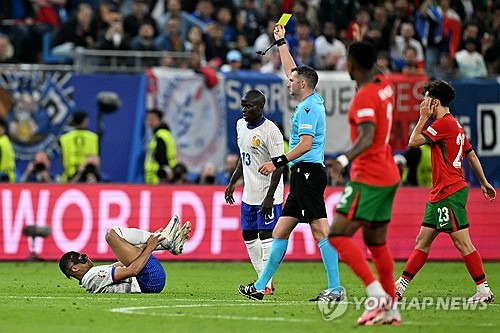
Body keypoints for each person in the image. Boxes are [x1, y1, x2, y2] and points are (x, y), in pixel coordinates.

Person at [238, 24, 342, 302]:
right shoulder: (311, 98)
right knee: (281, 229)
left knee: (321, 230)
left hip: (308, 172)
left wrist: (277, 161)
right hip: (301, 175)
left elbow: (306, 144)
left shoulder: (309, 108)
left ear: (303, 85)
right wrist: (281, 42)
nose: (288, 82)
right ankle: (261, 286)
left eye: (292, 81)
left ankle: (335, 289)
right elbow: (291, 70)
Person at [395, 81, 496, 303]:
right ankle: (400, 287)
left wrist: (422, 118)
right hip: (442, 192)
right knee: (422, 240)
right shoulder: (455, 125)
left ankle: (483, 290)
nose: (422, 104)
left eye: (425, 100)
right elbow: (470, 154)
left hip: (449, 191)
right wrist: (484, 182)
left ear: (435, 102)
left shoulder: (442, 125)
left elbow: (412, 141)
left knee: (462, 242)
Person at [327, 41, 402, 326]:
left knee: (337, 235)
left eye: (348, 60)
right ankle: (391, 309)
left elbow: (367, 137)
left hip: (368, 176)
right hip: (389, 174)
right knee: (376, 241)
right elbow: (374, 67)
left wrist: (343, 161)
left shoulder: (365, 97)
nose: (345, 65)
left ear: (353, 64)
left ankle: (377, 295)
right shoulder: (385, 85)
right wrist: (364, 50)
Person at [225, 90, 284, 296]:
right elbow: (244, 156)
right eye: (242, 105)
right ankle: (264, 281)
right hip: (249, 193)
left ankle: (264, 283)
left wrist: (270, 196)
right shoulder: (240, 125)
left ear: (260, 107)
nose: (244, 109)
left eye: (249, 106)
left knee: (266, 235)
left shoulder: (271, 131)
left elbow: (280, 165)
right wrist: (232, 182)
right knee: (248, 234)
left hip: (269, 194)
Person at [59, 215, 192, 293]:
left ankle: (165, 241)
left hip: (150, 281)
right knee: (112, 235)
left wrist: (152, 243)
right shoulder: (93, 276)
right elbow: (133, 270)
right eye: (80, 258)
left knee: (128, 243)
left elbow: (129, 260)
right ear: (74, 268)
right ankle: (165, 239)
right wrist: (151, 246)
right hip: (148, 280)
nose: (85, 256)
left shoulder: (94, 275)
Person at [60, 111, 99, 182]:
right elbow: (94, 159)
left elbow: (63, 158)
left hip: (69, 177)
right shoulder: (93, 138)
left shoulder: (64, 138)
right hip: (87, 178)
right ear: (85, 121)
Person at [144, 109, 177, 184]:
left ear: (159, 120)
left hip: (159, 177)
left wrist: (164, 172)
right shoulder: (162, 134)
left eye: (152, 119)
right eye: (148, 119)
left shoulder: (161, 135)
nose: (149, 122)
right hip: (157, 176)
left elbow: (162, 155)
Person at [0, 118, 15, 182]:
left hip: (2, 177)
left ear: (2, 129)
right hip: (10, 177)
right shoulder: (7, 141)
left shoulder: (1, 142)